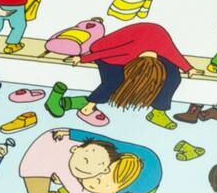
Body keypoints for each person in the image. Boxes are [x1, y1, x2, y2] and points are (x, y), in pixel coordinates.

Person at [11, 128, 162, 193]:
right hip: (40, 159)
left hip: (147, 179)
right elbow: (80, 190)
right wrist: (71, 133)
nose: (88, 182)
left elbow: (91, 191)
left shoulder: (136, 183)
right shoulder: (98, 153)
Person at [58, 21, 192, 130]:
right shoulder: (126, 54)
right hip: (105, 50)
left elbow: (174, 54)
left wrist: (189, 69)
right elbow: (104, 54)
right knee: (114, 80)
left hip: (148, 45)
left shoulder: (162, 47)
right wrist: (82, 58)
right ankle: (88, 106)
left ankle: (158, 112)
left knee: (173, 76)